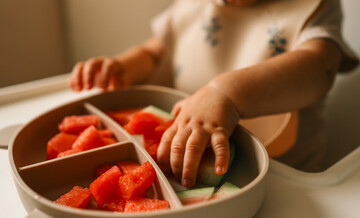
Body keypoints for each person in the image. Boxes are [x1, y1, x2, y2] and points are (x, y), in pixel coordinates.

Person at [69, 0, 359, 188]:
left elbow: (319, 67)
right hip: (193, 169)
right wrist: (123, 66)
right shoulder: (196, 5)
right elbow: (155, 52)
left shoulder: (313, 8)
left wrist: (227, 94)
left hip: (286, 179)